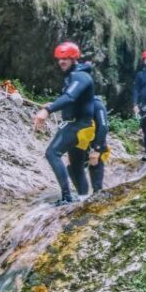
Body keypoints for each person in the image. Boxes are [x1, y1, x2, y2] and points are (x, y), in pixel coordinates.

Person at [33, 41, 95, 206]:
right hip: (79, 125)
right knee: (75, 165)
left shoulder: (80, 76)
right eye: (59, 59)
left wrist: (48, 110)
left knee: (52, 153)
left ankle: (67, 197)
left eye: (65, 59)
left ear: (74, 58)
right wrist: (51, 104)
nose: (61, 62)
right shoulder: (74, 76)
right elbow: (70, 99)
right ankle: (83, 200)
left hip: (78, 125)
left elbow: (70, 97)